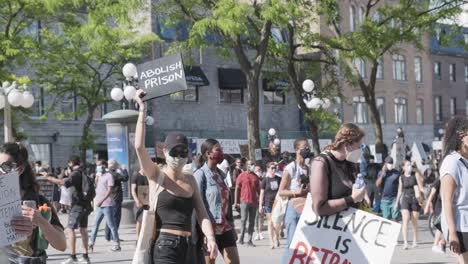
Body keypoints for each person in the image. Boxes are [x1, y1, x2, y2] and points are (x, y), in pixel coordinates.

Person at [134, 89, 218, 264]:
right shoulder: (156, 174)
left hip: (189, 246)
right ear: (165, 152)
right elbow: (139, 148)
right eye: (175, 151)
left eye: (183, 152)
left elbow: (202, 214)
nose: (179, 156)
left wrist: (210, 238)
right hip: (165, 246)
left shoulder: (190, 179)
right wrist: (142, 110)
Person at [0, 143, 66, 263]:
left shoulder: (38, 201)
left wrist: (41, 222)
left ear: (19, 169)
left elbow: (61, 245)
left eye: (5, 167)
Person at [194, 139, 239, 264]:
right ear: (208, 153)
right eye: (218, 150)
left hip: (225, 227)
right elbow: (197, 205)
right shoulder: (200, 175)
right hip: (209, 229)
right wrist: (201, 232)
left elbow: (227, 204)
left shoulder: (222, 175)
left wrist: (232, 225)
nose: (221, 152)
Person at [310, 123, 366, 217]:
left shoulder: (350, 162)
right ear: (346, 145)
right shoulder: (320, 163)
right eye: (359, 146)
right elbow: (319, 208)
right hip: (329, 229)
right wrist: (352, 199)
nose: (360, 150)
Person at [46, 156, 92, 264]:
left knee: (70, 229)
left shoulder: (76, 173)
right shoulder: (83, 171)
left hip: (77, 205)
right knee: (83, 229)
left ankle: (73, 256)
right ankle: (85, 256)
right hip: (86, 204)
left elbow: (63, 183)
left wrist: (49, 178)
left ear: (71, 162)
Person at [440, 117, 468, 263]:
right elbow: (447, 201)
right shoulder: (452, 162)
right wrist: (452, 233)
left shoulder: (466, 160)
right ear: (461, 137)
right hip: (461, 226)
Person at [278, 137, 311, 250]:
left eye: (308, 147)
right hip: (293, 209)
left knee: (306, 245)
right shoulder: (290, 168)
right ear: (297, 150)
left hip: (307, 208)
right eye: (304, 147)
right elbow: (281, 191)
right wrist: (297, 192)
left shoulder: (308, 168)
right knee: (292, 244)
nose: (307, 149)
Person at [88, 159, 121, 252]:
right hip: (99, 205)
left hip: (107, 204)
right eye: (97, 166)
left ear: (103, 166)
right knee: (95, 224)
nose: (98, 167)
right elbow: (97, 188)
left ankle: (116, 243)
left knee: (111, 225)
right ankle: (91, 243)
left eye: (99, 165)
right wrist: (96, 179)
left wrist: (102, 200)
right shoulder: (99, 176)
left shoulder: (109, 176)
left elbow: (109, 190)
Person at [395, 160, 424, 249]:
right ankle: (405, 242)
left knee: (414, 221)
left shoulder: (415, 175)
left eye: (410, 165)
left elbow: (421, 186)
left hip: (415, 199)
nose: (409, 167)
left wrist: (424, 199)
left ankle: (415, 240)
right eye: (407, 165)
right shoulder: (401, 177)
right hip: (405, 199)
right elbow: (400, 191)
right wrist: (396, 203)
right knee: (406, 220)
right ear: (403, 167)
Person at [234, 160, 260, 247]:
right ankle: (241, 238)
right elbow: (237, 188)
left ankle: (249, 240)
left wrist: (261, 201)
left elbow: (259, 190)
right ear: (247, 166)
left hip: (253, 202)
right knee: (243, 220)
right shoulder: (242, 175)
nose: (252, 166)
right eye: (250, 164)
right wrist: (236, 202)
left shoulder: (255, 177)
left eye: (253, 164)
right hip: (244, 201)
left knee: (252, 221)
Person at [259, 162, 282, 249]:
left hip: (277, 203)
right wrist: (260, 205)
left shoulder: (279, 179)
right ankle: (271, 241)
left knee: (277, 223)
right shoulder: (265, 180)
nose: (273, 169)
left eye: (275, 168)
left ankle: (277, 238)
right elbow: (261, 194)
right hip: (268, 203)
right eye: (272, 168)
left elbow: (281, 190)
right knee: (270, 222)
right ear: (268, 169)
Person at [104, 163, 129, 243]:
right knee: (116, 218)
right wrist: (124, 170)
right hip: (116, 198)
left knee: (109, 217)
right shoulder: (115, 174)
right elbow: (125, 178)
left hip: (109, 198)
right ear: (114, 166)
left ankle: (107, 236)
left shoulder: (106, 174)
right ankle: (113, 237)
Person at [376, 157, 401, 221]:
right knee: (386, 219)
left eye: (391, 163)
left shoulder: (397, 173)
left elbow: (401, 185)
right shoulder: (381, 173)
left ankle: (396, 230)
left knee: (395, 218)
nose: (390, 164)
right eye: (389, 163)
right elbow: (377, 184)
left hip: (394, 199)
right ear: (385, 164)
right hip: (384, 199)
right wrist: (383, 173)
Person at [424, 178, 446, 254]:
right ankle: (435, 244)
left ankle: (442, 243)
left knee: (444, 226)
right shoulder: (438, 181)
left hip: (444, 205)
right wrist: (427, 206)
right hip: (438, 205)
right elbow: (432, 194)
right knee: (441, 225)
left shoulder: (447, 179)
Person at [131, 169, 149, 240]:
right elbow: (133, 190)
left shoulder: (149, 175)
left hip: (148, 200)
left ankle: (145, 238)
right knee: (140, 220)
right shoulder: (136, 175)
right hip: (139, 201)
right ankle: (138, 239)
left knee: (146, 220)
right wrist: (137, 200)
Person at [253, 163, 265, 241]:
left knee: (261, 217)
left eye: (259, 170)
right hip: (254, 200)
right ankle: (257, 233)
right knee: (255, 217)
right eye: (257, 170)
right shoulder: (253, 179)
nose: (258, 171)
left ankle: (260, 232)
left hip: (262, 200)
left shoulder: (263, 180)